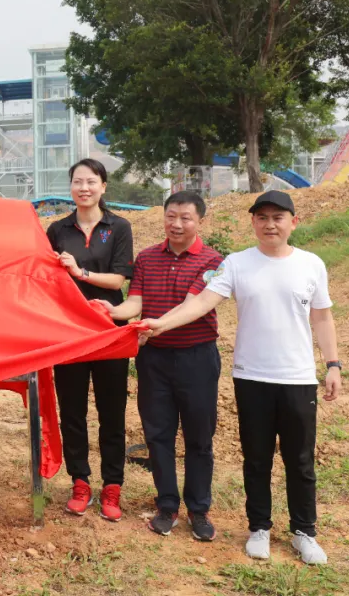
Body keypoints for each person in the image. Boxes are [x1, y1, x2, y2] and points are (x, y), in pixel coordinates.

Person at [139, 190, 342, 565]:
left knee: (300, 460)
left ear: (293, 223)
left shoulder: (312, 264)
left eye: (278, 218)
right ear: (252, 222)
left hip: (298, 377)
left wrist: (333, 364)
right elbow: (201, 302)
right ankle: (259, 528)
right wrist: (160, 324)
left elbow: (322, 317)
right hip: (251, 376)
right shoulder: (235, 264)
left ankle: (304, 531)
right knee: (256, 457)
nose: (269, 224)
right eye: (262, 217)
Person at [96, 191, 223, 542]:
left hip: (197, 357)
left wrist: (152, 324)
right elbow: (134, 301)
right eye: (171, 216)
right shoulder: (148, 257)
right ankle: (167, 505)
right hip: (154, 360)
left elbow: (191, 306)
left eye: (185, 218)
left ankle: (199, 510)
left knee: (199, 437)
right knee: (158, 435)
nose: (176, 224)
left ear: (200, 221)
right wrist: (110, 310)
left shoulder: (213, 260)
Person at [45, 159, 134, 521]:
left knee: (111, 412)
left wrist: (79, 272)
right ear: (70, 188)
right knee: (73, 412)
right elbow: (45, 277)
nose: (84, 188)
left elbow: (119, 281)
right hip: (68, 333)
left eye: (91, 182)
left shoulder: (119, 227)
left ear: (103, 187)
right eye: (78, 182)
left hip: (108, 331)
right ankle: (80, 482)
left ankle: (112, 487)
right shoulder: (56, 230)